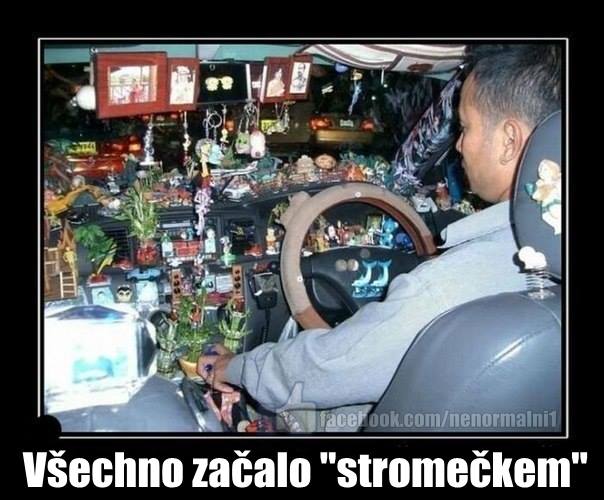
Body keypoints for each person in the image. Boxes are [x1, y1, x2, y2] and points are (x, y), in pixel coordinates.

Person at [197, 44, 562, 431]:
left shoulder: (442, 289)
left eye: (465, 127)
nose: (457, 145)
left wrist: (236, 367)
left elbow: (328, 367)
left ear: (509, 141)